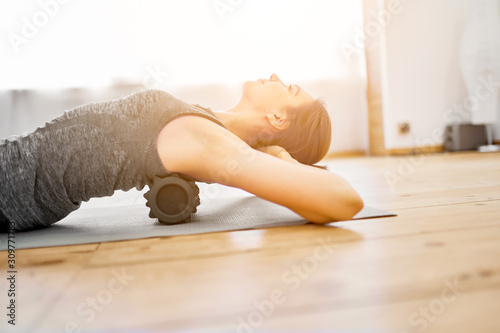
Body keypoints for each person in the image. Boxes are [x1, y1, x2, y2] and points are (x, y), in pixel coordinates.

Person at [0, 73, 363, 232]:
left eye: (291, 88)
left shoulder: (211, 143)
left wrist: (278, 159)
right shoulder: (208, 124)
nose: (275, 76)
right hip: (14, 160)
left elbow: (345, 200)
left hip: (11, 186)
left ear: (278, 117)